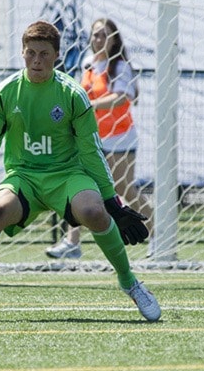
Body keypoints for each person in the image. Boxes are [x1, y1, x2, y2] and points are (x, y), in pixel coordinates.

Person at [0, 20, 161, 323]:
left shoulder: (73, 95)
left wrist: (113, 202)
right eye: (31, 53)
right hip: (24, 177)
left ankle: (130, 282)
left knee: (94, 211)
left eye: (44, 54)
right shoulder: (5, 94)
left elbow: (91, 152)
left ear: (57, 55)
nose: (37, 60)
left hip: (67, 174)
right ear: (22, 53)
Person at [45, 18, 154, 259]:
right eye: (95, 35)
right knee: (79, 186)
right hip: (91, 137)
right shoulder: (87, 64)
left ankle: (157, 234)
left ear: (114, 39)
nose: (98, 40)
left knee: (124, 187)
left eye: (104, 35)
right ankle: (72, 243)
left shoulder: (120, 67)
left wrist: (91, 104)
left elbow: (122, 97)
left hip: (119, 137)